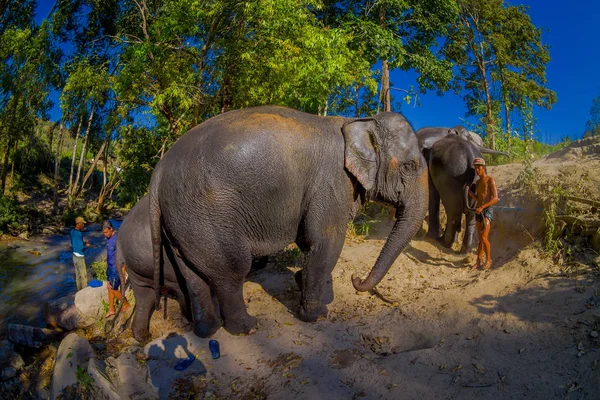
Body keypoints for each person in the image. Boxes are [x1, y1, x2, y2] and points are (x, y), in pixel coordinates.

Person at [468, 157, 499, 271]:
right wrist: (471, 194)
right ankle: (478, 262)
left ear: (484, 167)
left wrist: (482, 207)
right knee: (480, 238)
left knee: (484, 237)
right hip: (479, 210)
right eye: (475, 168)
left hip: (487, 210)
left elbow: (495, 198)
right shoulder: (478, 182)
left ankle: (488, 260)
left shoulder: (490, 180)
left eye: (479, 168)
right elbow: (479, 198)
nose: (477, 170)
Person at [102, 220, 129, 318]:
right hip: (109, 267)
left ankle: (126, 304)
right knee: (109, 288)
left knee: (112, 289)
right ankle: (111, 309)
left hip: (116, 268)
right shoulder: (108, 239)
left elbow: (123, 256)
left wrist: (123, 271)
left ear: (111, 229)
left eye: (106, 232)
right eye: (104, 233)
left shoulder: (117, 239)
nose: (105, 234)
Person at [70, 216, 91, 290]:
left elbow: (73, 243)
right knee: (83, 276)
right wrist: (86, 245)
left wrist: (83, 242)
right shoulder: (79, 234)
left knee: (77, 276)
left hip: (74, 256)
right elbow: (81, 248)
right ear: (78, 224)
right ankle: (84, 293)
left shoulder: (72, 232)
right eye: (82, 224)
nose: (83, 225)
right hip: (80, 257)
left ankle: (78, 291)